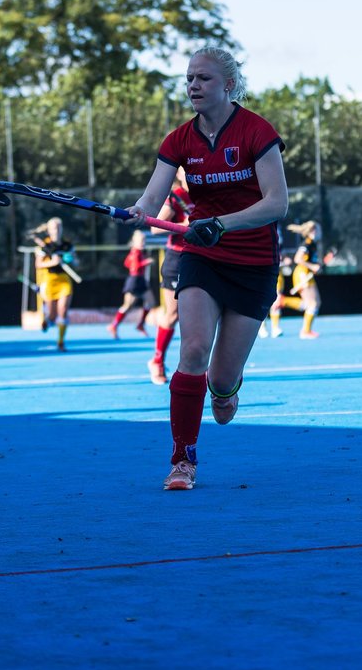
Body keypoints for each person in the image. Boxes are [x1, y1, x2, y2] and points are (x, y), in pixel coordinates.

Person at [123, 46, 288, 491]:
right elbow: (153, 196)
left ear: (229, 85)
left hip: (253, 262)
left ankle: (227, 385)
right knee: (192, 350)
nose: (193, 85)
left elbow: (277, 203)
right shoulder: (179, 140)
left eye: (204, 79)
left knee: (220, 382)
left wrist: (220, 224)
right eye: (190, 78)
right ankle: (183, 461)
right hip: (203, 257)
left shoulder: (257, 132)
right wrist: (139, 211)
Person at [147, 168, 193, 385]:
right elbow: (155, 228)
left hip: (204, 257)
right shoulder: (176, 197)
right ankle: (157, 360)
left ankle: (197, 367)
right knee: (172, 314)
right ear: (179, 174)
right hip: (177, 259)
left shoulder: (208, 192)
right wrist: (183, 226)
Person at [33, 217, 75, 352]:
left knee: (63, 311)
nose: (56, 230)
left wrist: (70, 260)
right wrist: (52, 262)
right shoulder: (45, 245)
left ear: (61, 229)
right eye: (53, 228)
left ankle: (61, 342)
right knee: (52, 315)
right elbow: (38, 264)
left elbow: (76, 262)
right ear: (49, 230)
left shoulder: (67, 245)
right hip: (49, 279)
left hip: (64, 280)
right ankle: (47, 319)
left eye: (58, 228)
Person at [109, 229, 155, 339]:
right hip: (134, 280)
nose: (143, 242)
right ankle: (114, 325)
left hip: (141, 280)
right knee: (128, 306)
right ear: (134, 241)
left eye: (144, 240)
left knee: (151, 302)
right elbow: (134, 267)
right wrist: (146, 262)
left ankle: (141, 324)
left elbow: (126, 263)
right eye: (141, 240)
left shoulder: (138, 252)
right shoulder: (135, 252)